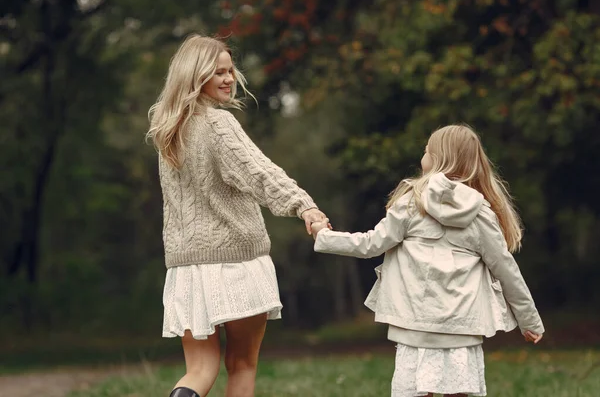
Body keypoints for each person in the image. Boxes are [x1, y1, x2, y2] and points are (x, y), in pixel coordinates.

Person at [146, 34, 327, 397]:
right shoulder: (217, 124)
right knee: (241, 365)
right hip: (235, 263)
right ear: (196, 76)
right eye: (218, 72)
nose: (229, 79)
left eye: (231, 70)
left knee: (198, 369)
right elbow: (259, 173)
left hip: (186, 269)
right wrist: (303, 204)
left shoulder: (169, 131)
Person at [310, 124, 544, 397]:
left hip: (415, 327)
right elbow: (506, 269)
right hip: (462, 328)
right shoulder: (481, 213)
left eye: (426, 150)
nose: (423, 155)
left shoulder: (411, 202)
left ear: (438, 158)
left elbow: (370, 244)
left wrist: (324, 236)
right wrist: (530, 321)